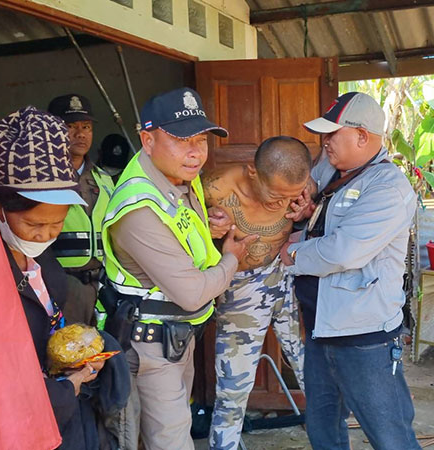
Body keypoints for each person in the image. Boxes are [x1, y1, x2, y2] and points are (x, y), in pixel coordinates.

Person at [99, 87, 256, 450]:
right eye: (181, 140)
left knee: (174, 432)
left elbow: (182, 233)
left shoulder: (179, 177)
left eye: (201, 140)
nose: (195, 151)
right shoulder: (138, 206)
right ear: (147, 140)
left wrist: (210, 228)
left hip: (176, 339)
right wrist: (232, 257)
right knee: (169, 442)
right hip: (150, 347)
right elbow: (191, 292)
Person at [279, 92, 421, 450]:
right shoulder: (331, 168)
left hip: (364, 338)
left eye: (333, 134)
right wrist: (305, 211)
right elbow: (313, 202)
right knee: (323, 430)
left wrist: (291, 253)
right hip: (320, 328)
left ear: (361, 136)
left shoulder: (388, 188)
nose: (324, 142)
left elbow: (343, 251)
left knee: (391, 437)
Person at [0, 106, 129, 449]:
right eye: (34, 225)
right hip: (27, 420)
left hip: (65, 412)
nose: (46, 235)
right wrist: (67, 388)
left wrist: (80, 358)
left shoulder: (44, 262)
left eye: (57, 223)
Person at [202, 136, 312, 449]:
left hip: (286, 275)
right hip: (241, 288)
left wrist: (307, 206)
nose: (284, 203)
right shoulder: (215, 187)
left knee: (311, 367)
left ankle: (331, 438)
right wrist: (205, 225)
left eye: (293, 196)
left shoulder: (299, 183)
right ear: (253, 172)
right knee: (233, 387)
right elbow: (176, 223)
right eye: (277, 195)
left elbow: (312, 195)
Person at [48, 94, 116, 326]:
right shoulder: (43, 180)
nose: (81, 134)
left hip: (102, 286)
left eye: (86, 127)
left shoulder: (103, 179)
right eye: (71, 126)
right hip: (60, 285)